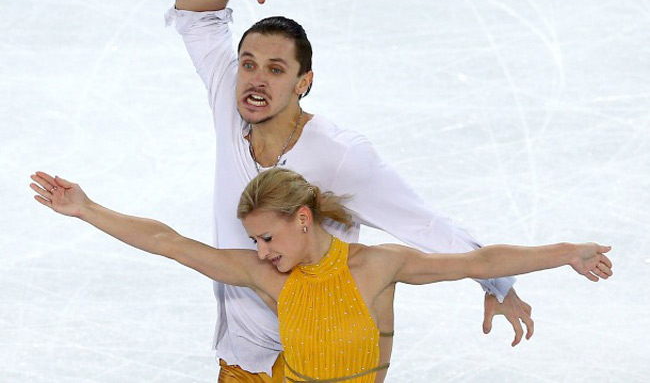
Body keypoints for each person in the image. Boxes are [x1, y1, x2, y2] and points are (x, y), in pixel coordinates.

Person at [165, 0, 537, 380]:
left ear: (305, 82)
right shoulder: (228, 93)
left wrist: (497, 284)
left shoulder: (340, 155)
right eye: (248, 64)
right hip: (243, 357)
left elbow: (420, 221)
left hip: (321, 356)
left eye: (276, 69)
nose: (256, 78)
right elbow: (194, 12)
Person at [29, 169, 612, 383]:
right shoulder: (268, 276)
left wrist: (569, 251)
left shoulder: (378, 267)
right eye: (255, 240)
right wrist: (87, 208)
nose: (258, 251)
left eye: (266, 236)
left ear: (302, 220)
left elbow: (481, 262)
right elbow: (168, 243)